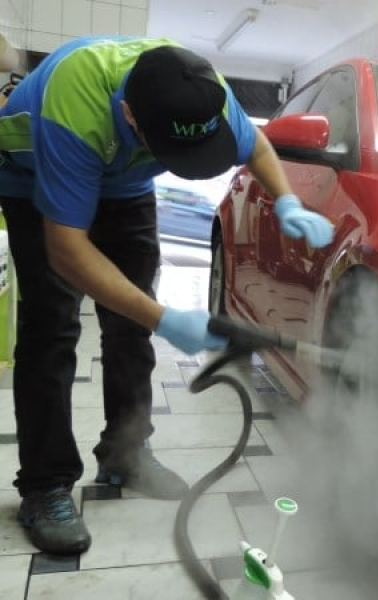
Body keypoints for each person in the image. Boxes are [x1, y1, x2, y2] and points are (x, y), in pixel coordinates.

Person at [0, 36, 333, 555]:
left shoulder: (200, 88)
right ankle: (44, 486)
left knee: (129, 324)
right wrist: (163, 317)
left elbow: (257, 143)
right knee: (52, 328)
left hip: (125, 184)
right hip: (32, 176)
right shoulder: (76, 102)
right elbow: (66, 250)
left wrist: (287, 201)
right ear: (130, 116)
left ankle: (125, 453)